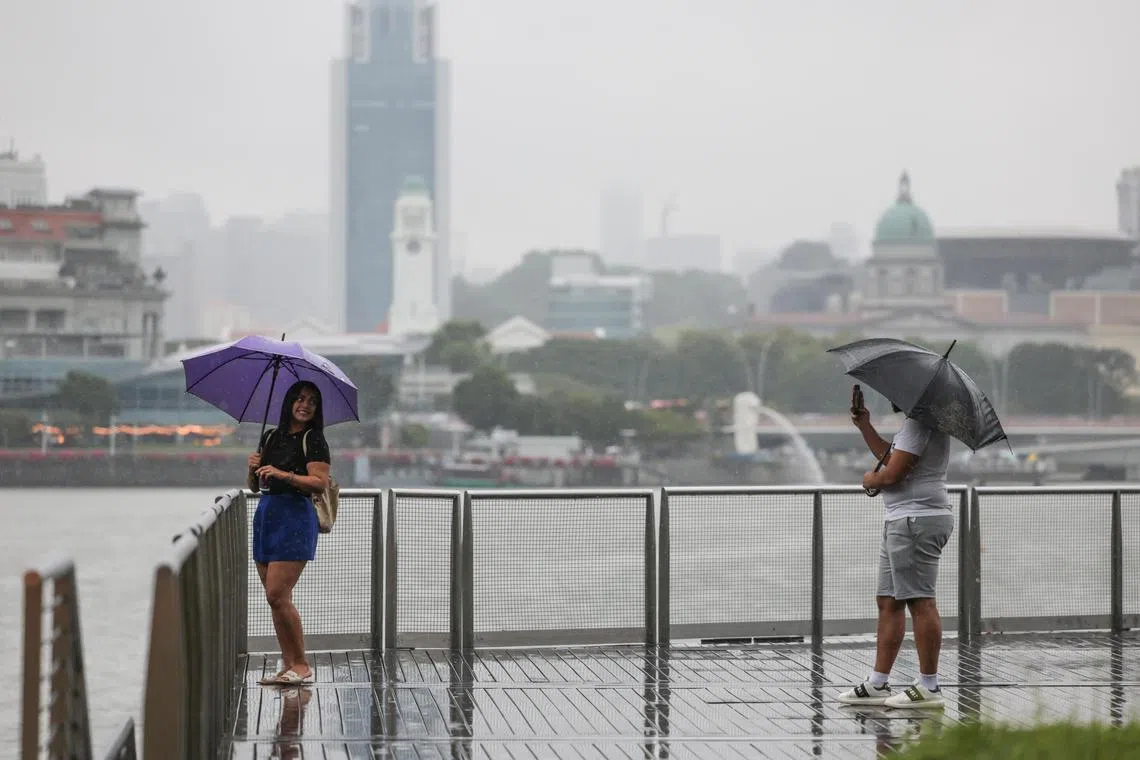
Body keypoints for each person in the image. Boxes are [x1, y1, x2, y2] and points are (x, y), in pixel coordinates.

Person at [838, 387, 953, 709]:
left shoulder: (920, 425)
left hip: (916, 522)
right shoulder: (913, 425)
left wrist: (871, 481)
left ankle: (929, 686)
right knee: (888, 601)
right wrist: (864, 426)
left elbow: (891, 475)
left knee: (920, 601)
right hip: (902, 522)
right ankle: (878, 682)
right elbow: (890, 458)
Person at [246, 380, 331, 686]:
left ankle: (302, 665)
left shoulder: (314, 439)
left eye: (311, 401)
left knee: (277, 593)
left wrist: (283, 473)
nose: (304, 405)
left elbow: (320, 483)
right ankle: (288, 665)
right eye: (299, 399)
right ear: (289, 403)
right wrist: (253, 467)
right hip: (267, 515)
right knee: (276, 600)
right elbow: (256, 486)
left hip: (295, 517)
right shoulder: (271, 436)